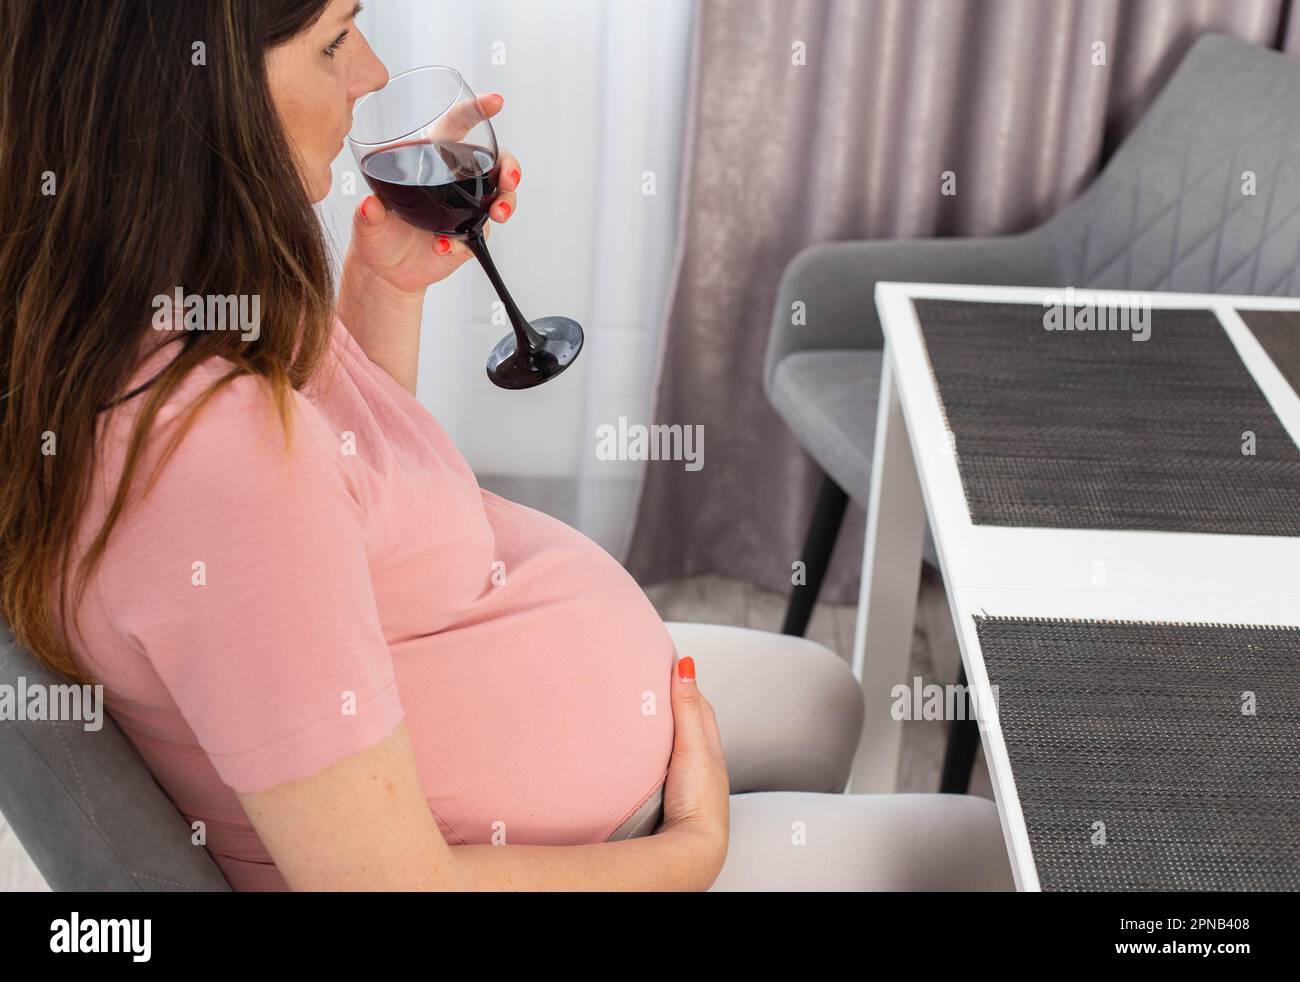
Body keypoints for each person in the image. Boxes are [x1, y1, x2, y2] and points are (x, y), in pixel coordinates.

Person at [0, 0, 1012, 891]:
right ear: (186, 91)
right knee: (981, 851)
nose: (372, 74)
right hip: (566, 856)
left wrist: (381, 286)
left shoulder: (136, 307)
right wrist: (686, 856)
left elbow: (335, 516)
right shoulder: (211, 458)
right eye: (334, 41)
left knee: (826, 697)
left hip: (522, 752)